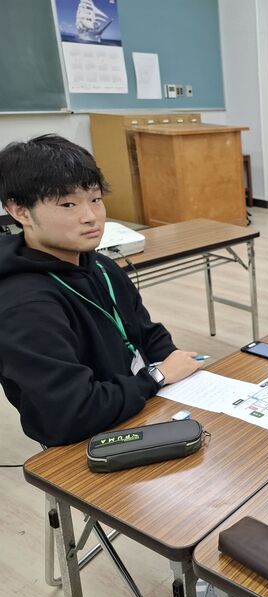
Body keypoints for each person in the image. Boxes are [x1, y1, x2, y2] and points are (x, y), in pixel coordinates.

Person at [0, 135, 204, 447]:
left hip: (140, 405)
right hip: (87, 442)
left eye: (95, 199)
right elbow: (72, 414)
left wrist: (174, 362)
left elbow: (146, 333)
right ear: (20, 211)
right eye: (68, 204)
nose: (90, 216)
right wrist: (157, 377)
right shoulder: (23, 305)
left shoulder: (100, 265)